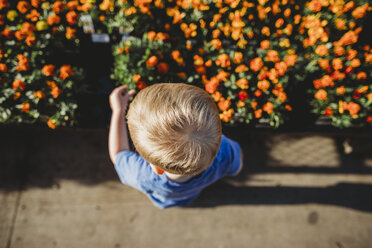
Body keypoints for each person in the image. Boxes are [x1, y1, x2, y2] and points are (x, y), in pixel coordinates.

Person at [108, 83, 243, 208]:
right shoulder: (224, 151)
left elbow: (118, 154)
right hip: (194, 192)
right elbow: (236, 168)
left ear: (157, 169)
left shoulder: (143, 176)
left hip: (167, 199)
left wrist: (118, 111)